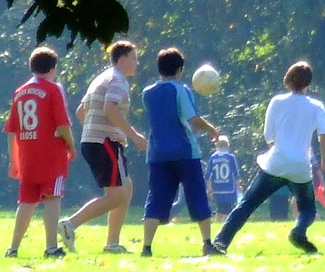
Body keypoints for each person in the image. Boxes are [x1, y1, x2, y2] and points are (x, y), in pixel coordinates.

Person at [214, 61, 325, 255]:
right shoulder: (316, 106)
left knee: (246, 205)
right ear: (308, 83)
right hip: (300, 167)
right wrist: (323, 162)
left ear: (288, 80)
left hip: (275, 163)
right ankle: (298, 231)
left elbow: (268, 136)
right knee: (308, 209)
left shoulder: (277, 102)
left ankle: (220, 243)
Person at [58, 41, 147, 254]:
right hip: (105, 142)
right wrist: (134, 136)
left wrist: (92, 130)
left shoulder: (102, 77)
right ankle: (69, 225)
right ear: (122, 58)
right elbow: (109, 108)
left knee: (126, 189)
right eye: (134, 58)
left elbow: (82, 110)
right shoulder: (118, 80)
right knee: (116, 195)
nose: (137, 63)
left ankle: (112, 244)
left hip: (96, 141)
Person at [139, 48, 224, 257]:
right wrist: (212, 129)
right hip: (185, 152)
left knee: (156, 198)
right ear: (179, 69)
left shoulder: (147, 93)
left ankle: (146, 248)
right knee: (197, 196)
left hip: (158, 154)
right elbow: (192, 118)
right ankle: (207, 244)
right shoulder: (180, 89)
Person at [3, 46, 77, 258]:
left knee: (26, 202)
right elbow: (63, 125)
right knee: (53, 198)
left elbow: (11, 129)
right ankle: (51, 247)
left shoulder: (19, 92)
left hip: (27, 156)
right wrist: (71, 146)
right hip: (51, 156)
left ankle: (13, 248)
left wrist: (13, 160)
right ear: (52, 68)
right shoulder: (53, 90)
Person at [206, 135, 242, 221]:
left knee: (220, 208)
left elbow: (208, 176)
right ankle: (226, 225)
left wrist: (209, 188)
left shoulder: (213, 158)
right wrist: (238, 187)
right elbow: (236, 174)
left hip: (217, 189)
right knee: (229, 209)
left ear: (217, 146)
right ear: (228, 146)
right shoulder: (231, 157)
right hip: (229, 188)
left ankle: (218, 223)